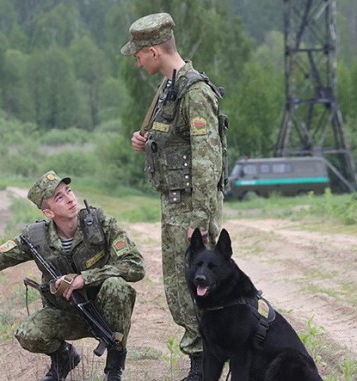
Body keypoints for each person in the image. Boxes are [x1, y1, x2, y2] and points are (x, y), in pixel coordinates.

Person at [0, 170, 145, 381]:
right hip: (67, 313)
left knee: (117, 286)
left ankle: (114, 367)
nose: (70, 199)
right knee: (29, 334)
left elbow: (135, 265)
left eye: (68, 191)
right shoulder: (36, 239)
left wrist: (86, 277)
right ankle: (64, 358)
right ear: (48, 212)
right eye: (59, 197)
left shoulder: (99, 222)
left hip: (104, 310)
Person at [120, 12, 227, 381]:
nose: (135, 59)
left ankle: (206, 368)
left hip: (190, 208)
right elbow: (174, 141)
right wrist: (145, 141)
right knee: (181, 288)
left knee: (199, 287)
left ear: (153, 52)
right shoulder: (170, 88)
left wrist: (199, 219)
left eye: (137, 53)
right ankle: (200, 365)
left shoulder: (194, 92)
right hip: (175, 203)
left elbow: (206, 160)